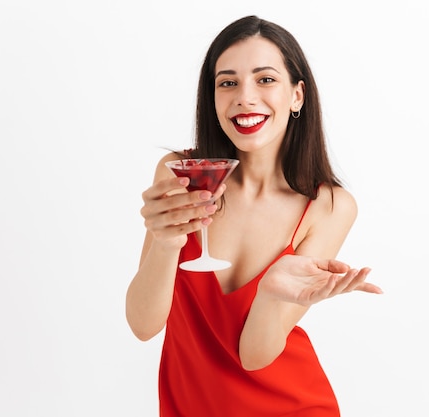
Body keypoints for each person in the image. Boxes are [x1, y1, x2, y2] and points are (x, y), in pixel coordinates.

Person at [126, 15, 382, 417]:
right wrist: (166, 240)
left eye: (265, 80)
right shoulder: (181, 176)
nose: (244, 97)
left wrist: (269, 295)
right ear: (212, 97)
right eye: (228, 82)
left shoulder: (328, 205)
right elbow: (143, 326)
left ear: (297, 96)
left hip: (295, 405)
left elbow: (254, 355)